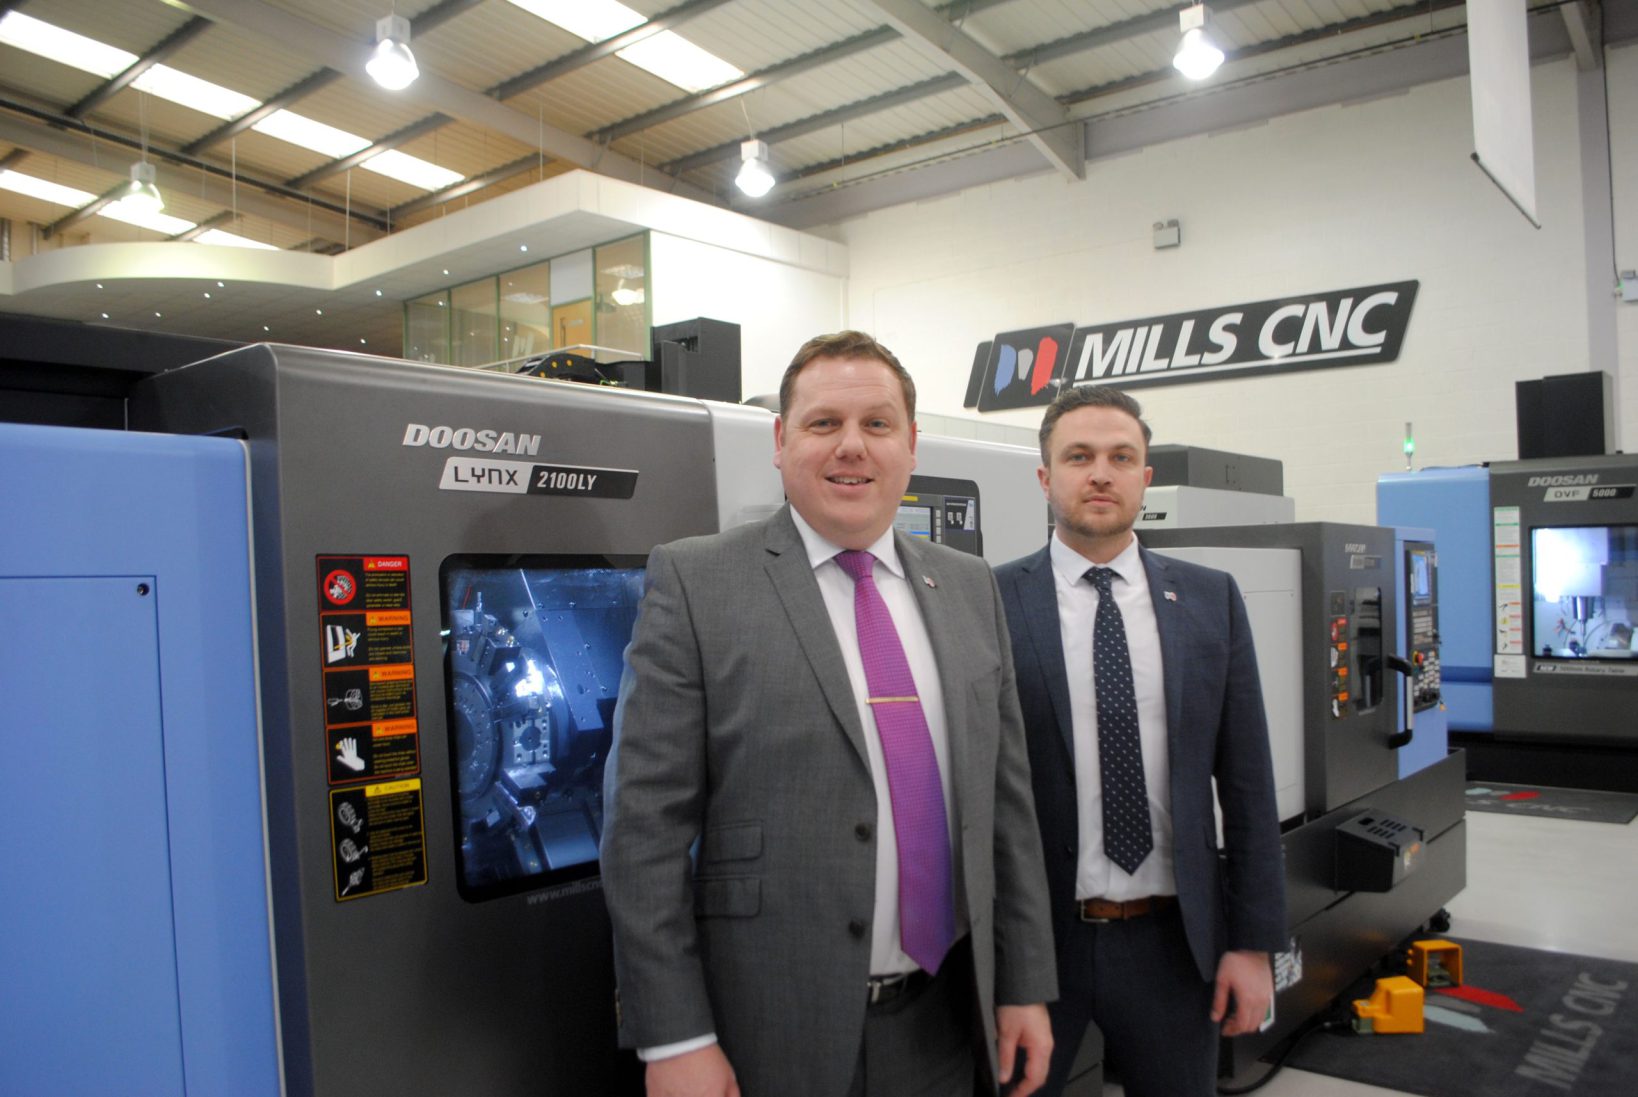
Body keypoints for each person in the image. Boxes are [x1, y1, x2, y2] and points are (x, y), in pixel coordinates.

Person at [601, 331, 1058, 1097]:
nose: (852, 445)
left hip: (944, 1023)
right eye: (824, 423)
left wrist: (1024, 983)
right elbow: (644, 829)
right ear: (781, 442)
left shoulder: (970, 585)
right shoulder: (698, 583)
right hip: (768, 1032)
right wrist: (674, 1034)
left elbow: (1006, 808)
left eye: (877, 424)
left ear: (911, 445)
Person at [994, 384, 1286, 1097]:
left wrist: (1254, 943)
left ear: (1145, 477)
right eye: (1079, 456)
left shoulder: (1211, 598)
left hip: (1173, 943)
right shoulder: (990, 599)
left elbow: (1248, 782)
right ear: (1045, 477)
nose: (1101, 473)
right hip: (1036, 946)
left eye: (1121, 457)